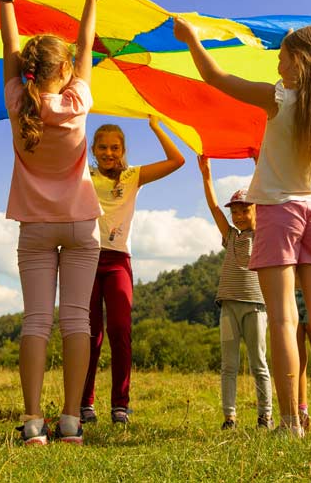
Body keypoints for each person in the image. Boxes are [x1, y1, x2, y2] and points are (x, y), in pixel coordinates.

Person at [173, 18, 311, 439]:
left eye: (283, 54)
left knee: (282, 319)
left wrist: (192, 40)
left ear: (300, 62)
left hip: (278, 210)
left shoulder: (280, 99)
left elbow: (215, 76)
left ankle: (291, 422)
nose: (278, 60)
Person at [0, 0, 113, 445]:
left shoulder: (16, 102)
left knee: (36, 321)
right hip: (81, 224)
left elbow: (8, 51)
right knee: (77, 321)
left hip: (35, 228)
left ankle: (31, 422)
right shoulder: (78, 102)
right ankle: (70, 420)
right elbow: (87, 47)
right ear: (64, 72)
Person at [80, 118, 185, 425]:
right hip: (86, 258)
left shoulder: (133, 176)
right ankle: (85, 403)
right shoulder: (84, 175)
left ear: (123, 149)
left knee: (120, 331)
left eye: (115, 147)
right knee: (90, 335)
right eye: (103, 147)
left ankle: (120, 405)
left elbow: (177, 160)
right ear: (93, 150)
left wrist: (156, 126)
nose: (109, 152)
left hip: (118, 262)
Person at [198, 159, 272, 431]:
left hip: (255, 307)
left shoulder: (263, 233)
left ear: (256, 210)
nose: (239, 216)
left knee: (259, 363)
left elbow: (267, 195)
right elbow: (214, 208)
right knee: (228, 365)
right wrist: (207, 176)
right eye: (236, 212)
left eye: (245, 210)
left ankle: (265, 415)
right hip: (228, 307)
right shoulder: (229, 235)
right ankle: (229, 417)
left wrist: (259, 164)